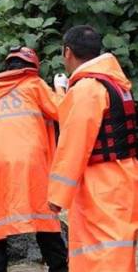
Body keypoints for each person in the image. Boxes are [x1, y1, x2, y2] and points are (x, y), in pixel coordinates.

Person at [48, 25, 138, 271]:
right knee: (117, 253)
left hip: (101, 186)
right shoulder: (117, 84)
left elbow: (74, 144)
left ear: (67, 53)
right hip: (123, 180)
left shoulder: (88, 89)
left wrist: (57, 196)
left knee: (100, 255)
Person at [0, 47, 68, 272]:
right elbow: (62, 111)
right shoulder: (33, 84)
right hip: (30, 163)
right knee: (44, 218)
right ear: (32, 68)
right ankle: (58, 267)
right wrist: (61, 88)